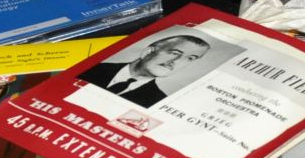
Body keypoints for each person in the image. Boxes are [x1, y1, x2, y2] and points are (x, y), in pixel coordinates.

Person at [77, 33, 210, 105]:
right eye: (175, 53)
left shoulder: (158, 102)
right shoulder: (90, 68)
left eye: (190, 58)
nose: (176, 62)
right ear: (148, 52)